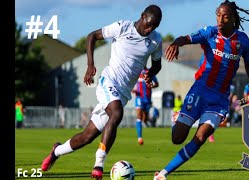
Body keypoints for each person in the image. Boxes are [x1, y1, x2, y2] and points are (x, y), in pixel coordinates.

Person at [41, 5, 163, 180]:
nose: (150, 29)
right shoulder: (123, 27)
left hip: (123, 93)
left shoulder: (155, 40)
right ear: (142, 16)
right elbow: (92, 36)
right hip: (109, 82)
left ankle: (56, 151)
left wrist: (150, 74)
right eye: (149, 24)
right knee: (117, 112)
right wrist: (90, 65)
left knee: (87, 136)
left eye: (155, 26)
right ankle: (99, 164)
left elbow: (157, 64)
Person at [154, 1, 249, 179]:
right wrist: (176, 44)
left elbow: (248, 63)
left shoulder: (243, 41)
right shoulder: (210, 33)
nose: (220, 19)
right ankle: (179, 116)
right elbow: (185, 38)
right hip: (200, 90)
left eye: (225, 16)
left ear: (233, 18)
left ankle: (163, 173)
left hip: (219, 99)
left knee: (201, 136)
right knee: (177, 138)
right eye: (218, 15)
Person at [132, 66, 159, 145]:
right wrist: (132, 89)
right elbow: (128, 82)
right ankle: (139, 137)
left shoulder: (149, 72)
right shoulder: (136, 71)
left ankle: (151, 122)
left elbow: (157, 84)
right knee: (139, 115)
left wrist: (151, 86)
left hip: (147, 98)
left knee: (145, 119)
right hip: (139, 97)